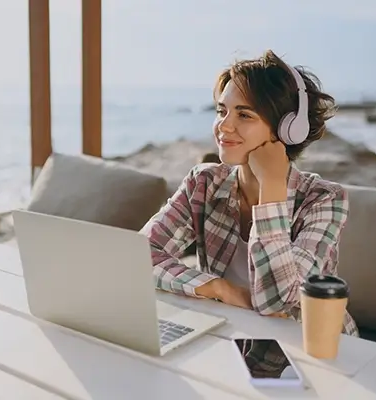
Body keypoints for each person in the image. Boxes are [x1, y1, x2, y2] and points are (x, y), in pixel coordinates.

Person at [140, 50, 359, 336]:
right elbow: (139, 255)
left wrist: (272, 188)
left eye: (244, 114)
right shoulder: (204, 182)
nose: (224, 126)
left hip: (310, 346)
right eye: (221, 111)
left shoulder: (324, 200)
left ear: (287, 129)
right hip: (231, 333)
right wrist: (219, 288)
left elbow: (279, 301)